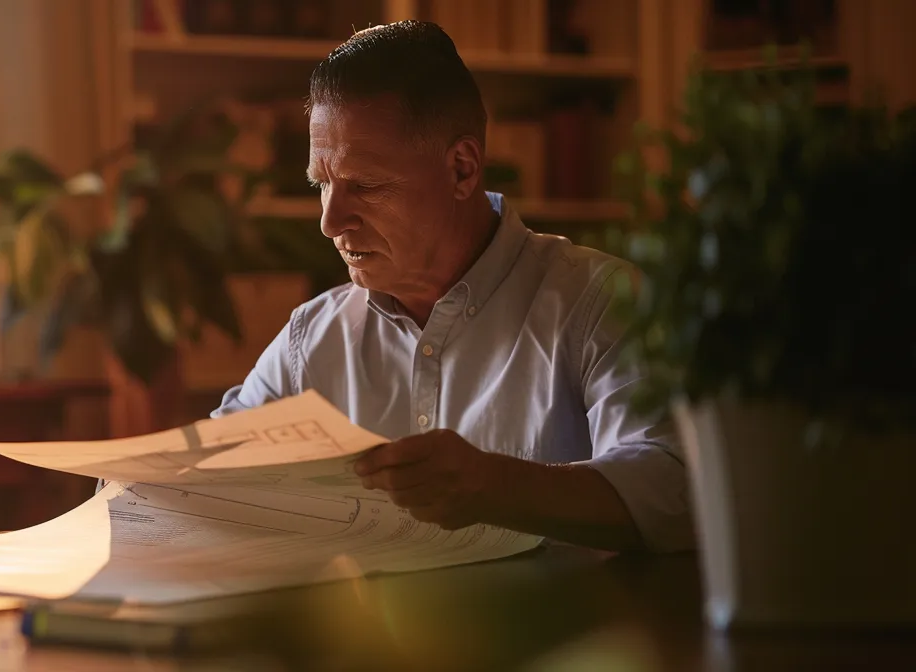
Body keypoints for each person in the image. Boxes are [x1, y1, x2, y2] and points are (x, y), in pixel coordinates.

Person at [217, 21, 691, 552]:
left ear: (463, 169)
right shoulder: (312, 339)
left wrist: (495, 486)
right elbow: (209, 469)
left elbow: (672, 490)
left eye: (365, 186)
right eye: (321, 184)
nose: (330, 222)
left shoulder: (599, 302)